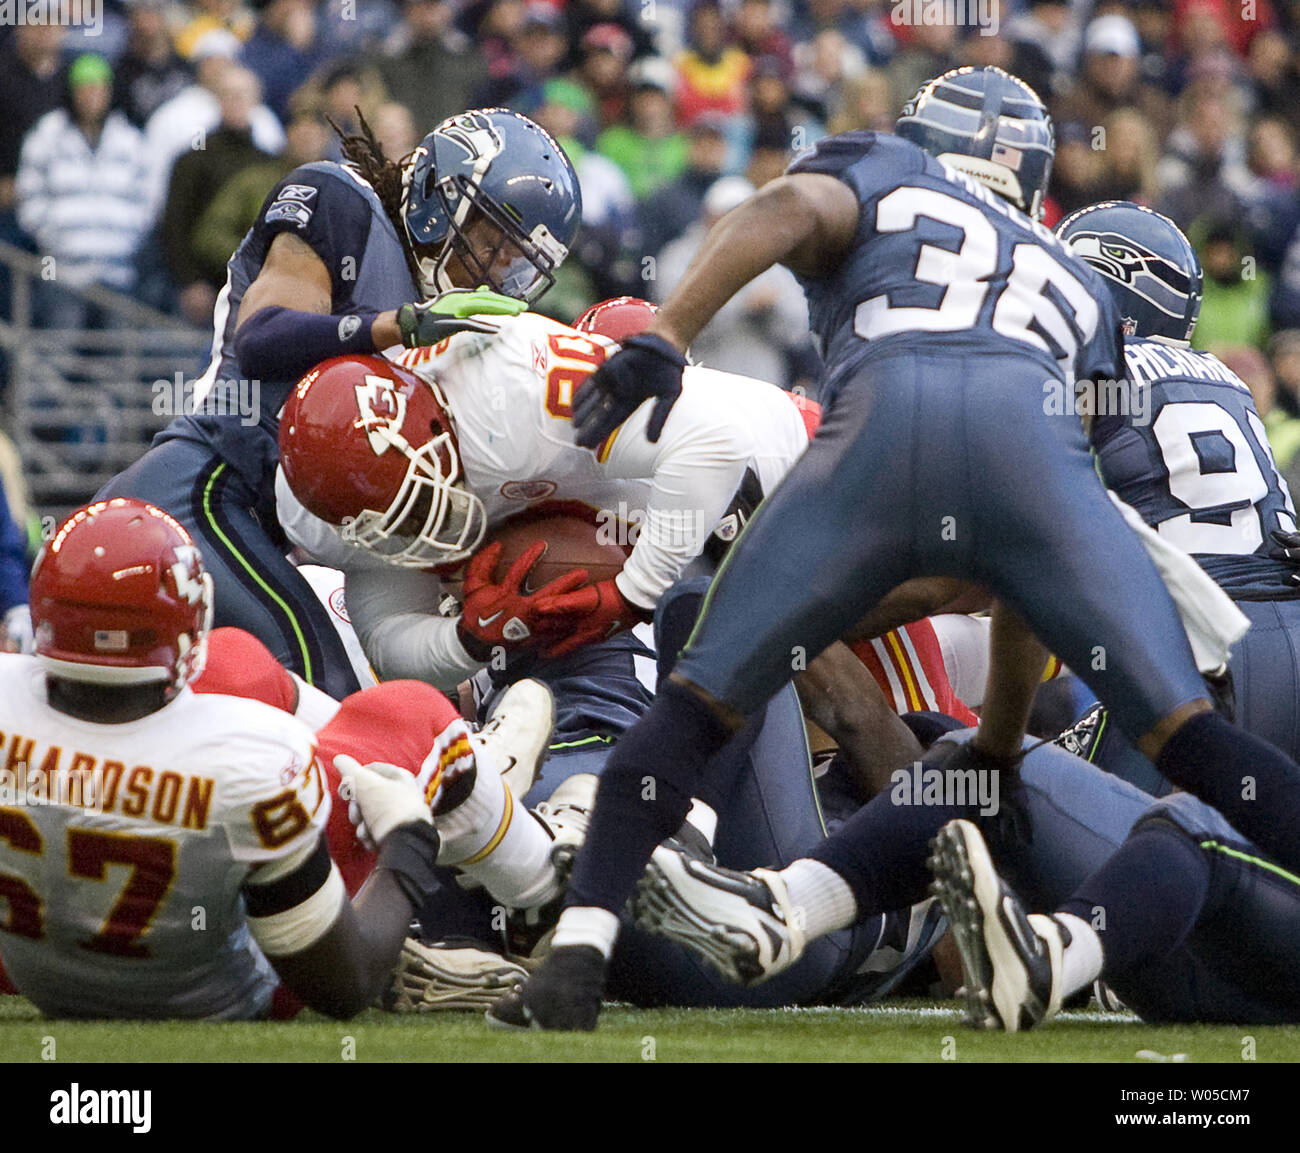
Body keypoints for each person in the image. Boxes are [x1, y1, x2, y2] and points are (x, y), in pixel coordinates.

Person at [500, 65, 1300, 1031]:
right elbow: (1029, 557)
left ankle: (605, 950)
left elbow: (790, 203)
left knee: (703, 695)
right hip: (1195, 590)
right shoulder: (1124, 328)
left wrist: (670, 332)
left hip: (895, 426)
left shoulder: (887, 170)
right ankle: (903, 913)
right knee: (1194, 763)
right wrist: (999, 738)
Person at [98, 108, 581, 701]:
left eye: (516, 260)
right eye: (492, 242)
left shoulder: (436, 317)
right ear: (440, 196)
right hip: (200, 492)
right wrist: (397, 326)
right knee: (331, 704)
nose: (497, 270)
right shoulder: (338, 199)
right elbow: (263, 338)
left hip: (259, 527)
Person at [0, 498, 437, 1020]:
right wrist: (407, 845)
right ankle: (523, 886)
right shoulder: (254, 757)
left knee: (237, 660)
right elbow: (345, 984)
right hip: (218, 996)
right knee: (410, 712)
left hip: (42, 972)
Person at [1053, 202, 1300, 784]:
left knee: (1028, 811)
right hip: (1287, 626)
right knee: (1261, 854)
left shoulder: (1092, 369)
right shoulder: (1227, 376)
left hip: (1199, 649)